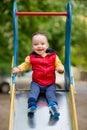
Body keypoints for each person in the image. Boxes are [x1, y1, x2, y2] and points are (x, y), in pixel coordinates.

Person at [12, 32, 64, 118]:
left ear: (47, 45)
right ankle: (32, 106)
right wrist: (18, 68)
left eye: (42, 44)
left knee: (51, 95)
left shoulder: (53, 56)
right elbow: (25, 65)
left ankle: (53, 106)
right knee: (33, 93)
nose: (39, 46)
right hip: (36, 83)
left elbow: (59, 65)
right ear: (32, 47)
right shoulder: (31, 57)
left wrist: (61, 69)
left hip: (50, 84)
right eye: (36, 44)